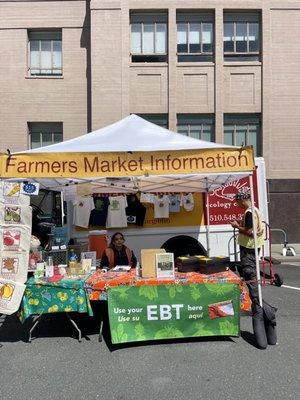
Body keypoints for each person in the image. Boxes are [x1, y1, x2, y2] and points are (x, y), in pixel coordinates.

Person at [229, 191, 264, 306]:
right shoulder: (255, 210)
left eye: (238, 202)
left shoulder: (249, 212)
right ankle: (256, 302)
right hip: (254, 245)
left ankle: (257, 303)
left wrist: (236, 226)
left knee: (249, 273)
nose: (237, 205)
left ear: (242, 200)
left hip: (249, 246)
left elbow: (249, 231)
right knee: (250, 272)